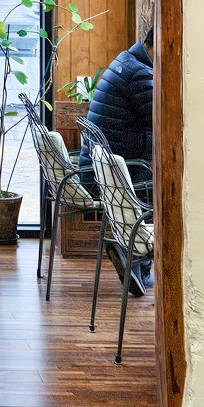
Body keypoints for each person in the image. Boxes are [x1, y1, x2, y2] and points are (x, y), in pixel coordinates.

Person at [77, 27, 154, 296]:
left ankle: (133, 253)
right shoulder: (140, 74)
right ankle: (137, 254)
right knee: (168, 193)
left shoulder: (125, 60)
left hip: (96, 171)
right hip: (114, 178)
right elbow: (162, 123)